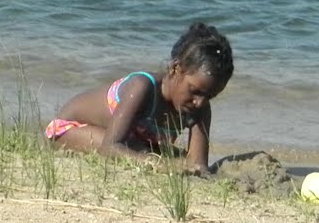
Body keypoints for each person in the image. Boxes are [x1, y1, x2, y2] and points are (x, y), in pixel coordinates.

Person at [45, 22, 233, 175]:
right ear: (176, 69)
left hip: (131, 142)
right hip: (68, 130)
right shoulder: (142, 87)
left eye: (210, 96)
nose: (199, 102)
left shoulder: (199, 108)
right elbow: (110, 147)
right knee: (143, 152)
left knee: (164, 155)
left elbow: (198, 165)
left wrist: (194, 167)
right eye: (194, 91)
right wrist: (159, 165)